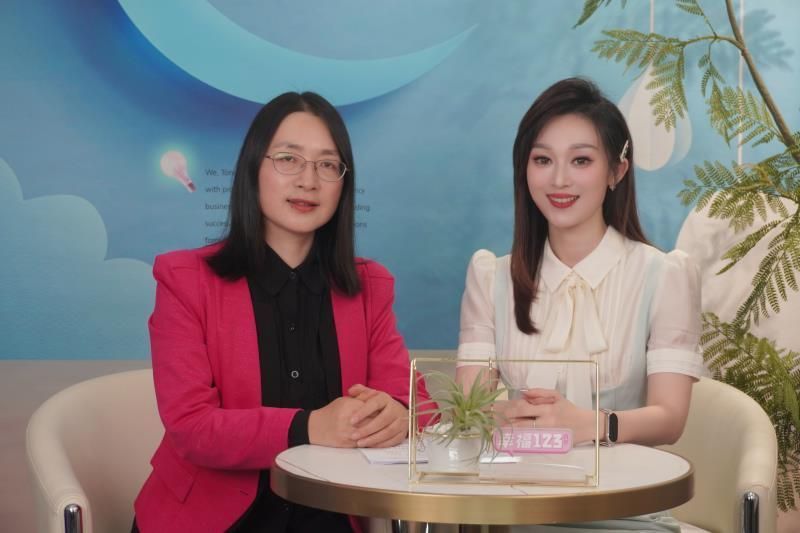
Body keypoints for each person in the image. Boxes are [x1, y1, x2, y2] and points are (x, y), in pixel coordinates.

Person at [133, 92, 421, 533]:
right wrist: (311, 427)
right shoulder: (185, 279)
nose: (309, 180)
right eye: (289, 159)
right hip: (212, 520)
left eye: (328, 165)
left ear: (343, 184)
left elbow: (417, 403)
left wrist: (399, 414)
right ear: (253, 169)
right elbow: (192, 428)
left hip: (329, 518)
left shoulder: (369, 286)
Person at [456, 78, 704, 532]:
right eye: (542, 160)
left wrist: (588, 424)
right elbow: (467, 412)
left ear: (617, 171)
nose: (559, 180)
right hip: (519, 510)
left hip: (626, 512)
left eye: (581, 160)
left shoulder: (664, 275)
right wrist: (504, 414)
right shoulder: (491, 277)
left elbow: (670, 419)